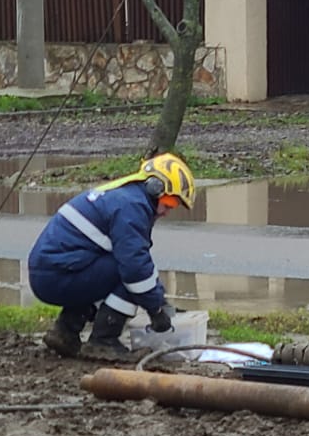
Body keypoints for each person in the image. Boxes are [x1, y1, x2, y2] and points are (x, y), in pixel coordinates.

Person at [30, 152, 196, 361]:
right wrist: (155, 310)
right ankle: (103, 341)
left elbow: (137, 259)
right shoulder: (132, 208)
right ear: (155, 187)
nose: (167, 211)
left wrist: (161, 300)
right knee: (126, 274)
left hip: (52, 273)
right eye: (170, 201)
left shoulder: (125, 197)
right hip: (55, 277)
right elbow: (135, 269)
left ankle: (65, 333)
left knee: (110, 267)